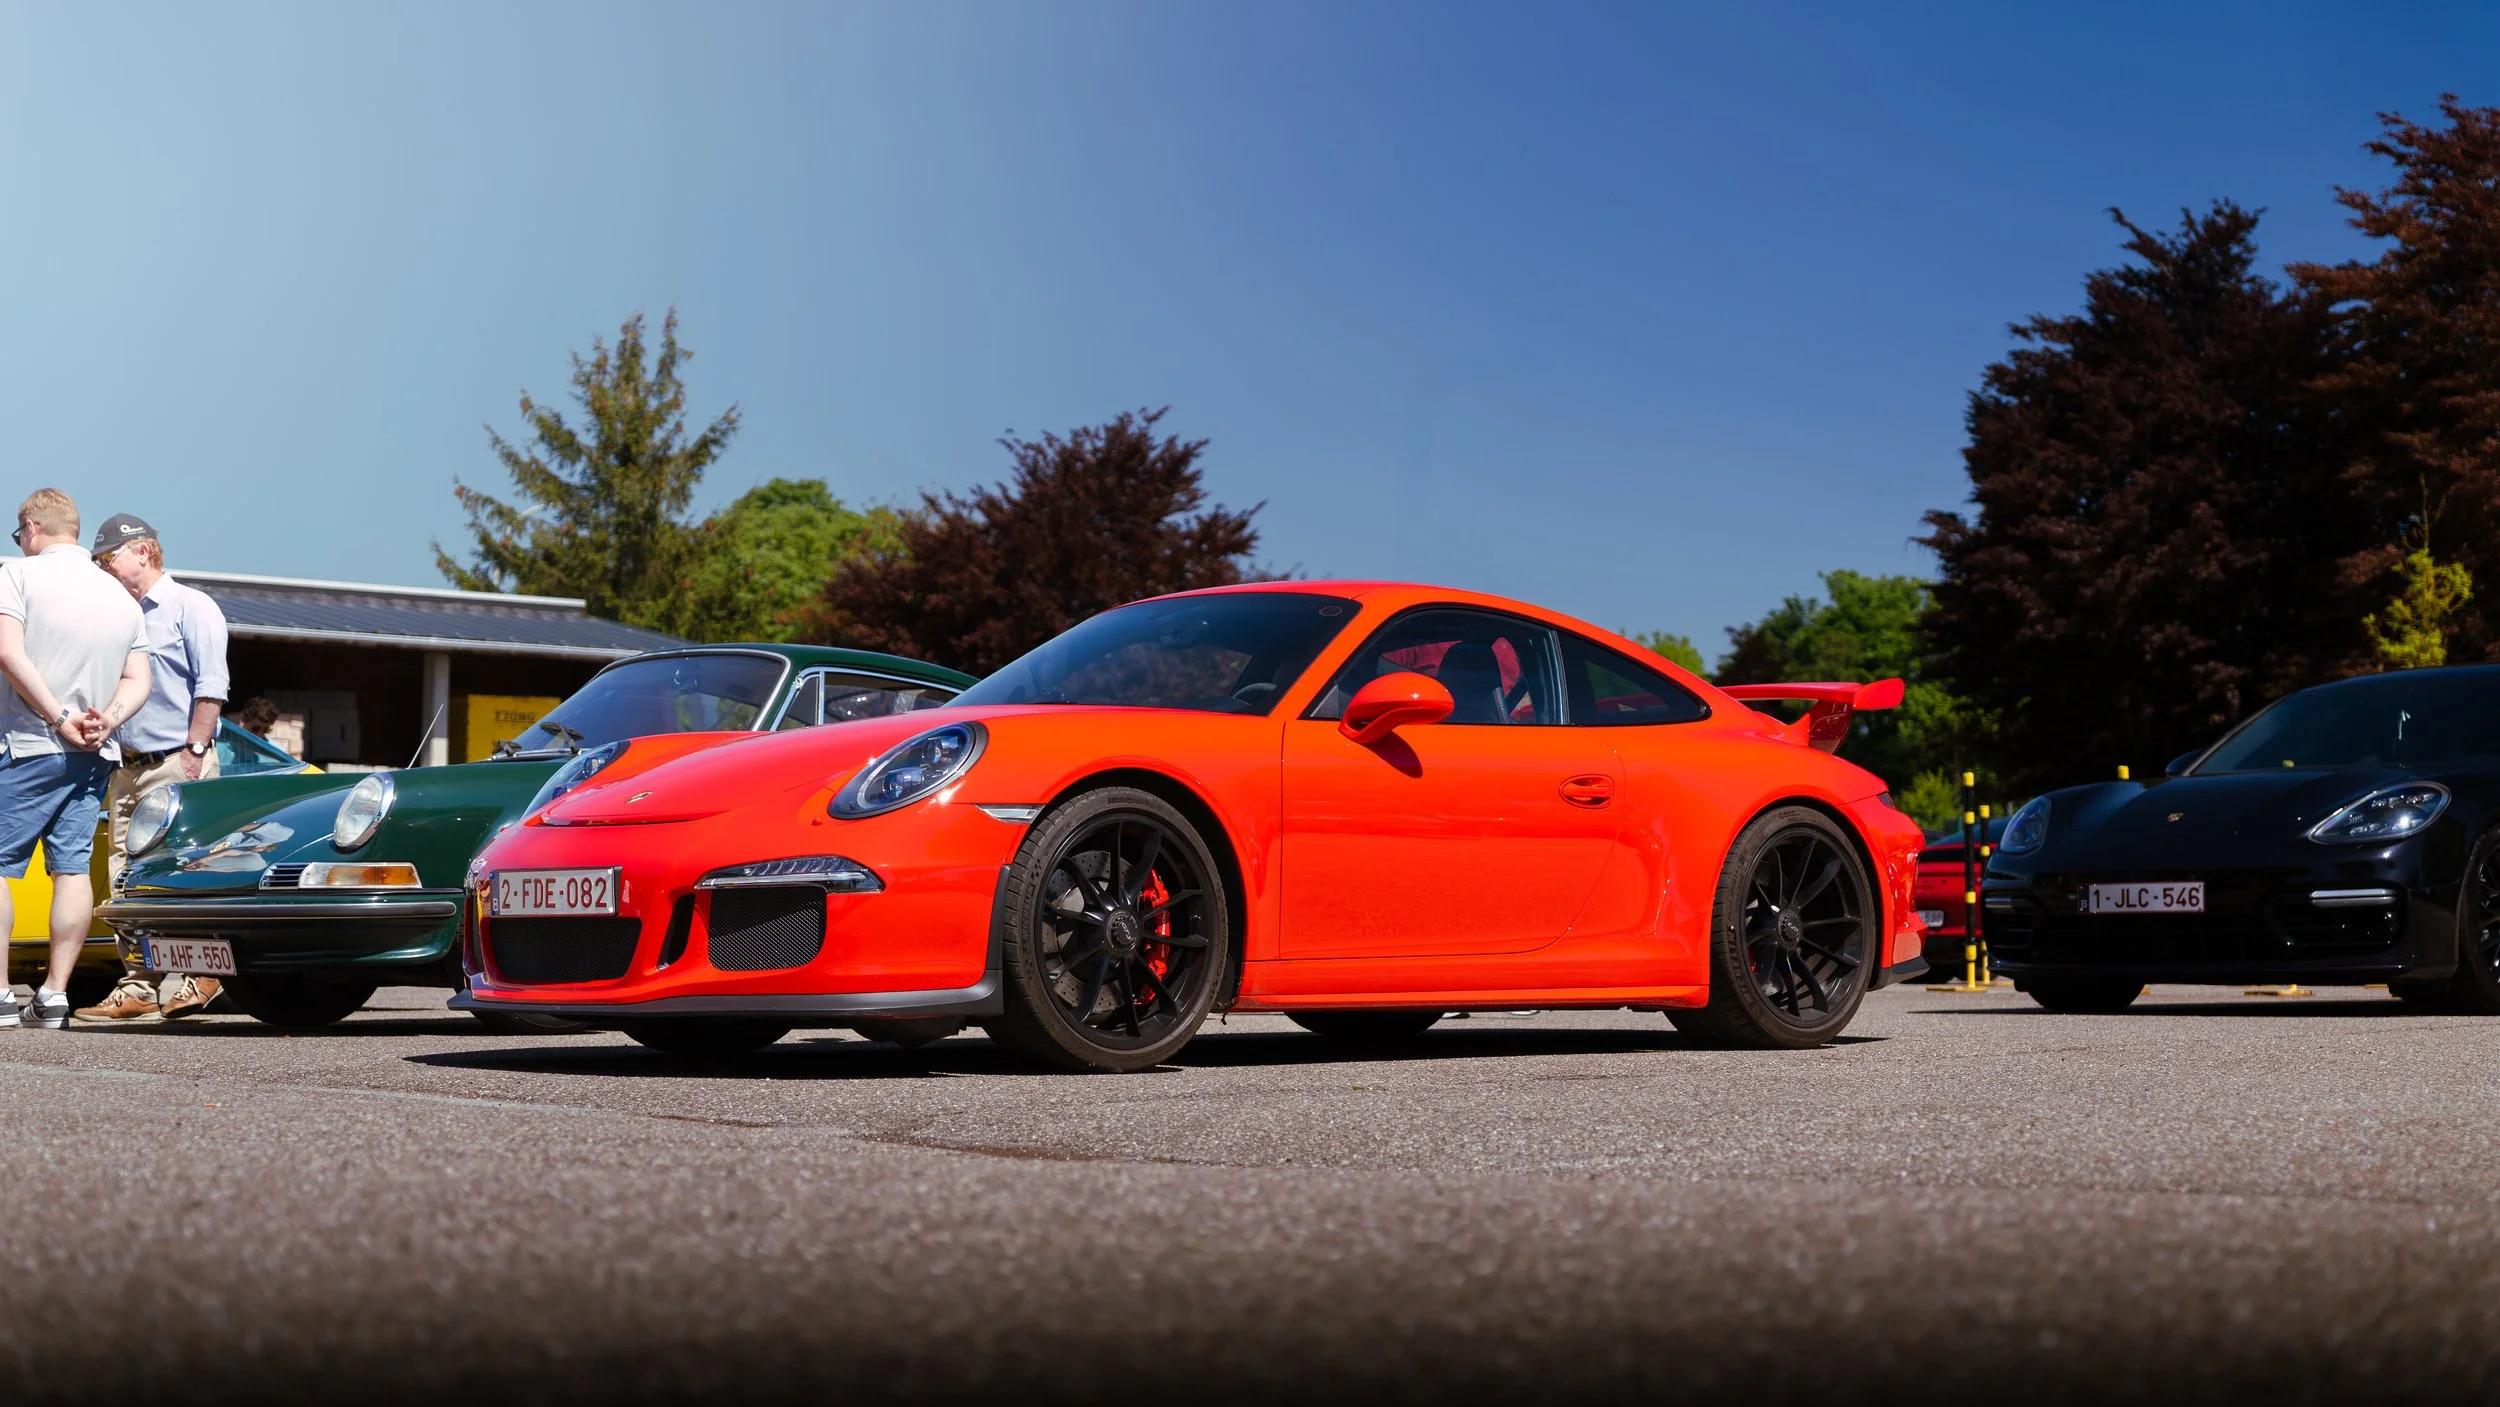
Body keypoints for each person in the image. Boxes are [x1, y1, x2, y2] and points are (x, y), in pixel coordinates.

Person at [0, 489, 147, 1032]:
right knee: (71, 869)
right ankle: (55, 995)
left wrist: (58, 717)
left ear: (32, 527)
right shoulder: (119, 597)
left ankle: (0, 997)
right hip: (94, 752)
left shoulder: (16, 574)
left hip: (27, 744)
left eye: (19, 534)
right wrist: (105, 718)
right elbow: (140, 680)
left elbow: (8, 652)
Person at [80, 513, 230, 1022]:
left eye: (109, 557)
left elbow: (212, 687)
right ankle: (138, 983)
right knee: (125, 877)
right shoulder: (118, 614)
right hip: (125, 766)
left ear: (143, 551)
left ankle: (201, 972)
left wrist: (194, 750)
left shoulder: (191, 606)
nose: (104, 567)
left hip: (174, 762)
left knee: (184, 872)